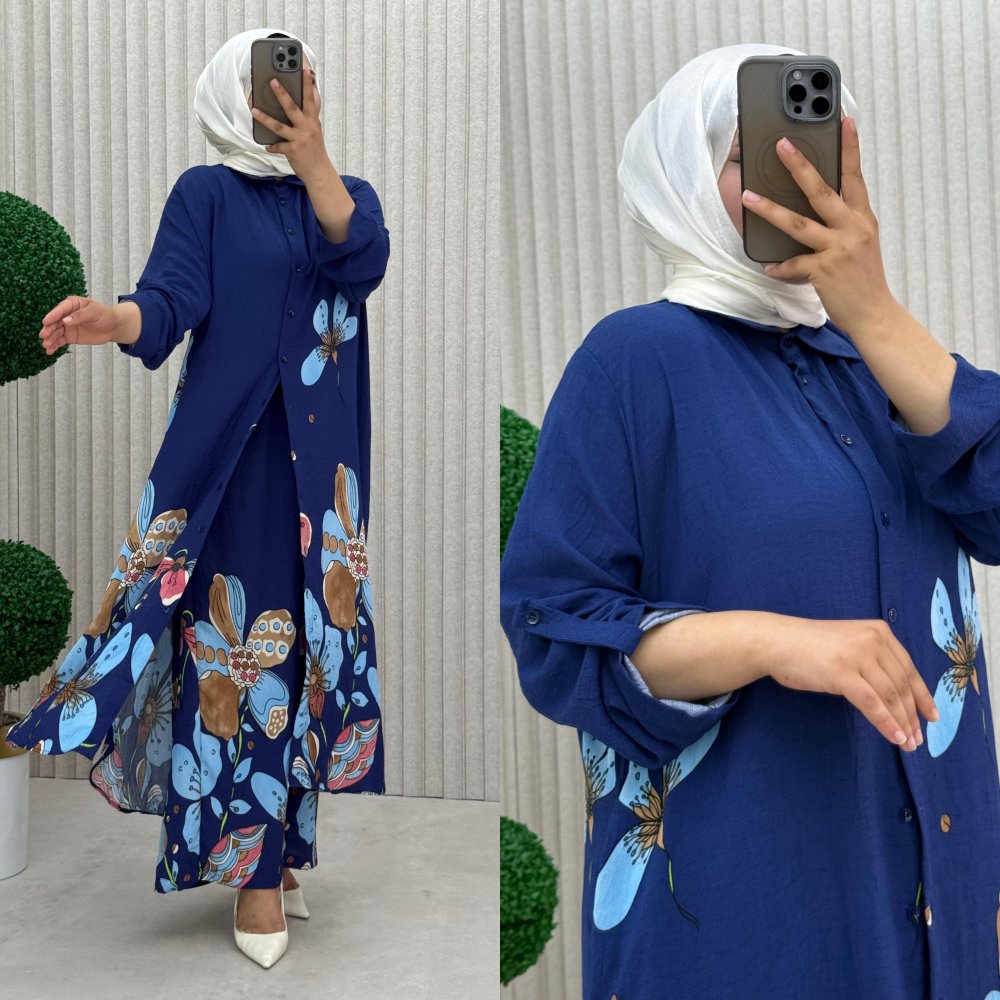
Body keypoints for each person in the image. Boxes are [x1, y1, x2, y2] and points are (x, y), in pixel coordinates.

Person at [500, 42, 1000, 999]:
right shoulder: (633, 362)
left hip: (939, 880)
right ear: (687, 176)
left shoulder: (884, 366)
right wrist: (774, 642)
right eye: (760, 155)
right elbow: (552, 631)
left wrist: (874, 312)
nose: (801, 182)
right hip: (750, 894)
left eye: (828, 155)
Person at [4, 27, 390, 969]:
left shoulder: (343, 196)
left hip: (323, 483)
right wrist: (113, 319)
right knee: (244, 655)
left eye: (303, 82)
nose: (290, 95)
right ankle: (253, 875)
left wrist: (312, 159)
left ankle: (283, 849)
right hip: (235, 470)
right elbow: (169, 301)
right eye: (273, 84)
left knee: (307, 653)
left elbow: (364, 259)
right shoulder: (205, 194)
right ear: (233, 94)